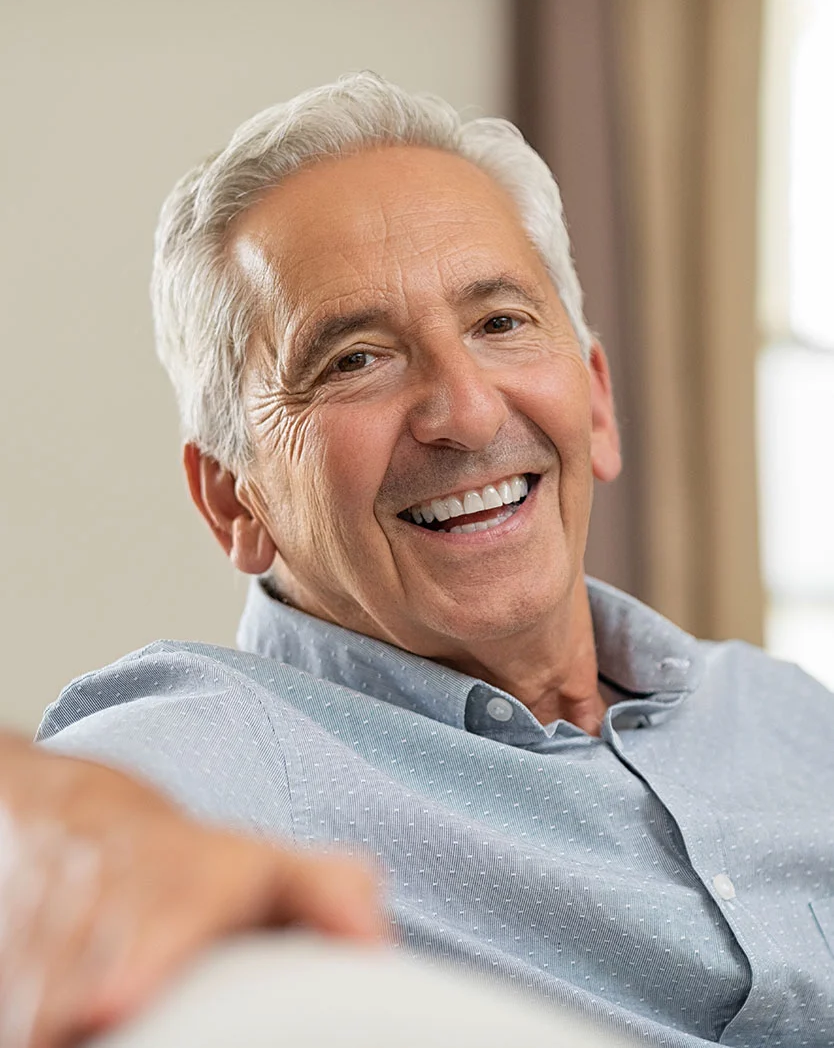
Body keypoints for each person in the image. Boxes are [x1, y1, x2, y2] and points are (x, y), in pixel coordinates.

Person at [2, 73, 833, 1048]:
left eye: (500, 323)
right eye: (355, 357)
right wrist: (65, 831)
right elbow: (56, 820)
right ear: (235, 497)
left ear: (598, 402)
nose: (469, 411)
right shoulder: (232, 743)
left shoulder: (786, 712)